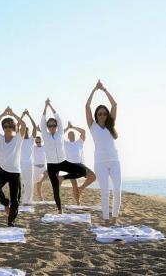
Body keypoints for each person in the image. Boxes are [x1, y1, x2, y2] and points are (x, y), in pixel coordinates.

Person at [40, 98, 91, 213]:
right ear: (47, 127)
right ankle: (59, 209)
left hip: (63, 162)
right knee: (55, 189)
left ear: (56, 126)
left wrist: (51, 106)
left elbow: (58, 118)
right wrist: (45, 106)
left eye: (54, 125)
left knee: (82, 171)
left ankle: (63, 177)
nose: (52, 127)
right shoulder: (45, 134)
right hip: (52, 165)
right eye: (50, 125)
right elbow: (42, 121)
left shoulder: (60, 133)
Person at [86, 80, 121, 226]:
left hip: (114, 161)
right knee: (105, 191)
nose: (102, 115)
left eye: (104, 113)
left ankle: (115, 218)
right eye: (99, 114)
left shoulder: (110, 125)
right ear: (96, 115)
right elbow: (87, 106)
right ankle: (106, 220)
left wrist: (104, 90)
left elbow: (114, 105)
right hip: (100, 162)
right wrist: (94, 90)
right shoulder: (92, 126)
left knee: (117, 190)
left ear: (107, 115)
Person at [0, 107, 26, 227]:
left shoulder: (18, 138)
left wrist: (14, 114)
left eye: (10, 126)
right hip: (2, 170)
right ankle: (5, 203)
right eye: (5, 126)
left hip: (15, 172)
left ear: (14, 128)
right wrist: (2, 114)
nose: (7, 128)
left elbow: (24, 125)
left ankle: (11, 221)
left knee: (15, 200)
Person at [64, 121, 96, 204]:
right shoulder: (65, 143)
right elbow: (59, 135)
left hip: (80, 165)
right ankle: (78, 202)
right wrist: (67, 128)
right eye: (70, 135)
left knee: (93, 177)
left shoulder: (79, 142)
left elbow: (83, 131)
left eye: (73, 134)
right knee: (74, 185)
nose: (72, 136)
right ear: (67, 136)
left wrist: (72, 127)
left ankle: (81, 188)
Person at [20, 109, 37, 205]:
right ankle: (19, 199)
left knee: (29, 183)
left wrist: (29, 115)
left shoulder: (31, 139)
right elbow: (17, 125)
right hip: (19, 164)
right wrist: (22, 116)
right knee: (19, 183)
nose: (25, 132)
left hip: (29, 164)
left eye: (26, 130)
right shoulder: (18, 139)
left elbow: (34, 127)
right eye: (23, 130)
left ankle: (28, 200)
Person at [33, 134, 48, 201]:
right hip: (35, 167)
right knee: (34, 184)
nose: (38, 143)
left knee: (46, 175)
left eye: (39, 142)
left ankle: (40, 182)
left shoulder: (44, 147)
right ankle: (40, 198)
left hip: (43, 167)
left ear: (41, 141)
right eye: (36, 142)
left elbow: (47, 138)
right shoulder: (33, 147)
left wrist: (40, 130)